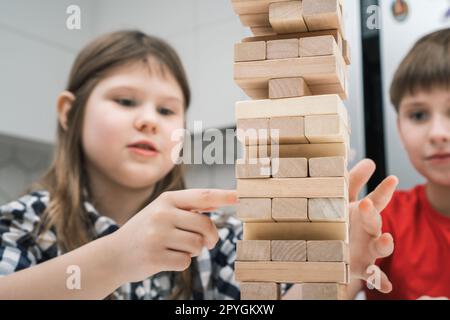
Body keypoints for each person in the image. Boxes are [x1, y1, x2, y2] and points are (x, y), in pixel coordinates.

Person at [0, 30, 397, 300]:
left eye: (167, 110)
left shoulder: (217, 241)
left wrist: (332, 267)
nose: (149, 120)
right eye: (125, 101)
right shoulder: (25, 224)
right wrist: (117, 257)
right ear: (69, 112)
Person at [360, 28, 449, 300]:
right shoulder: (381, 221)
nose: (437, 133)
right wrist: (331, 262)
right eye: (419, 114)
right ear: (399, 130)